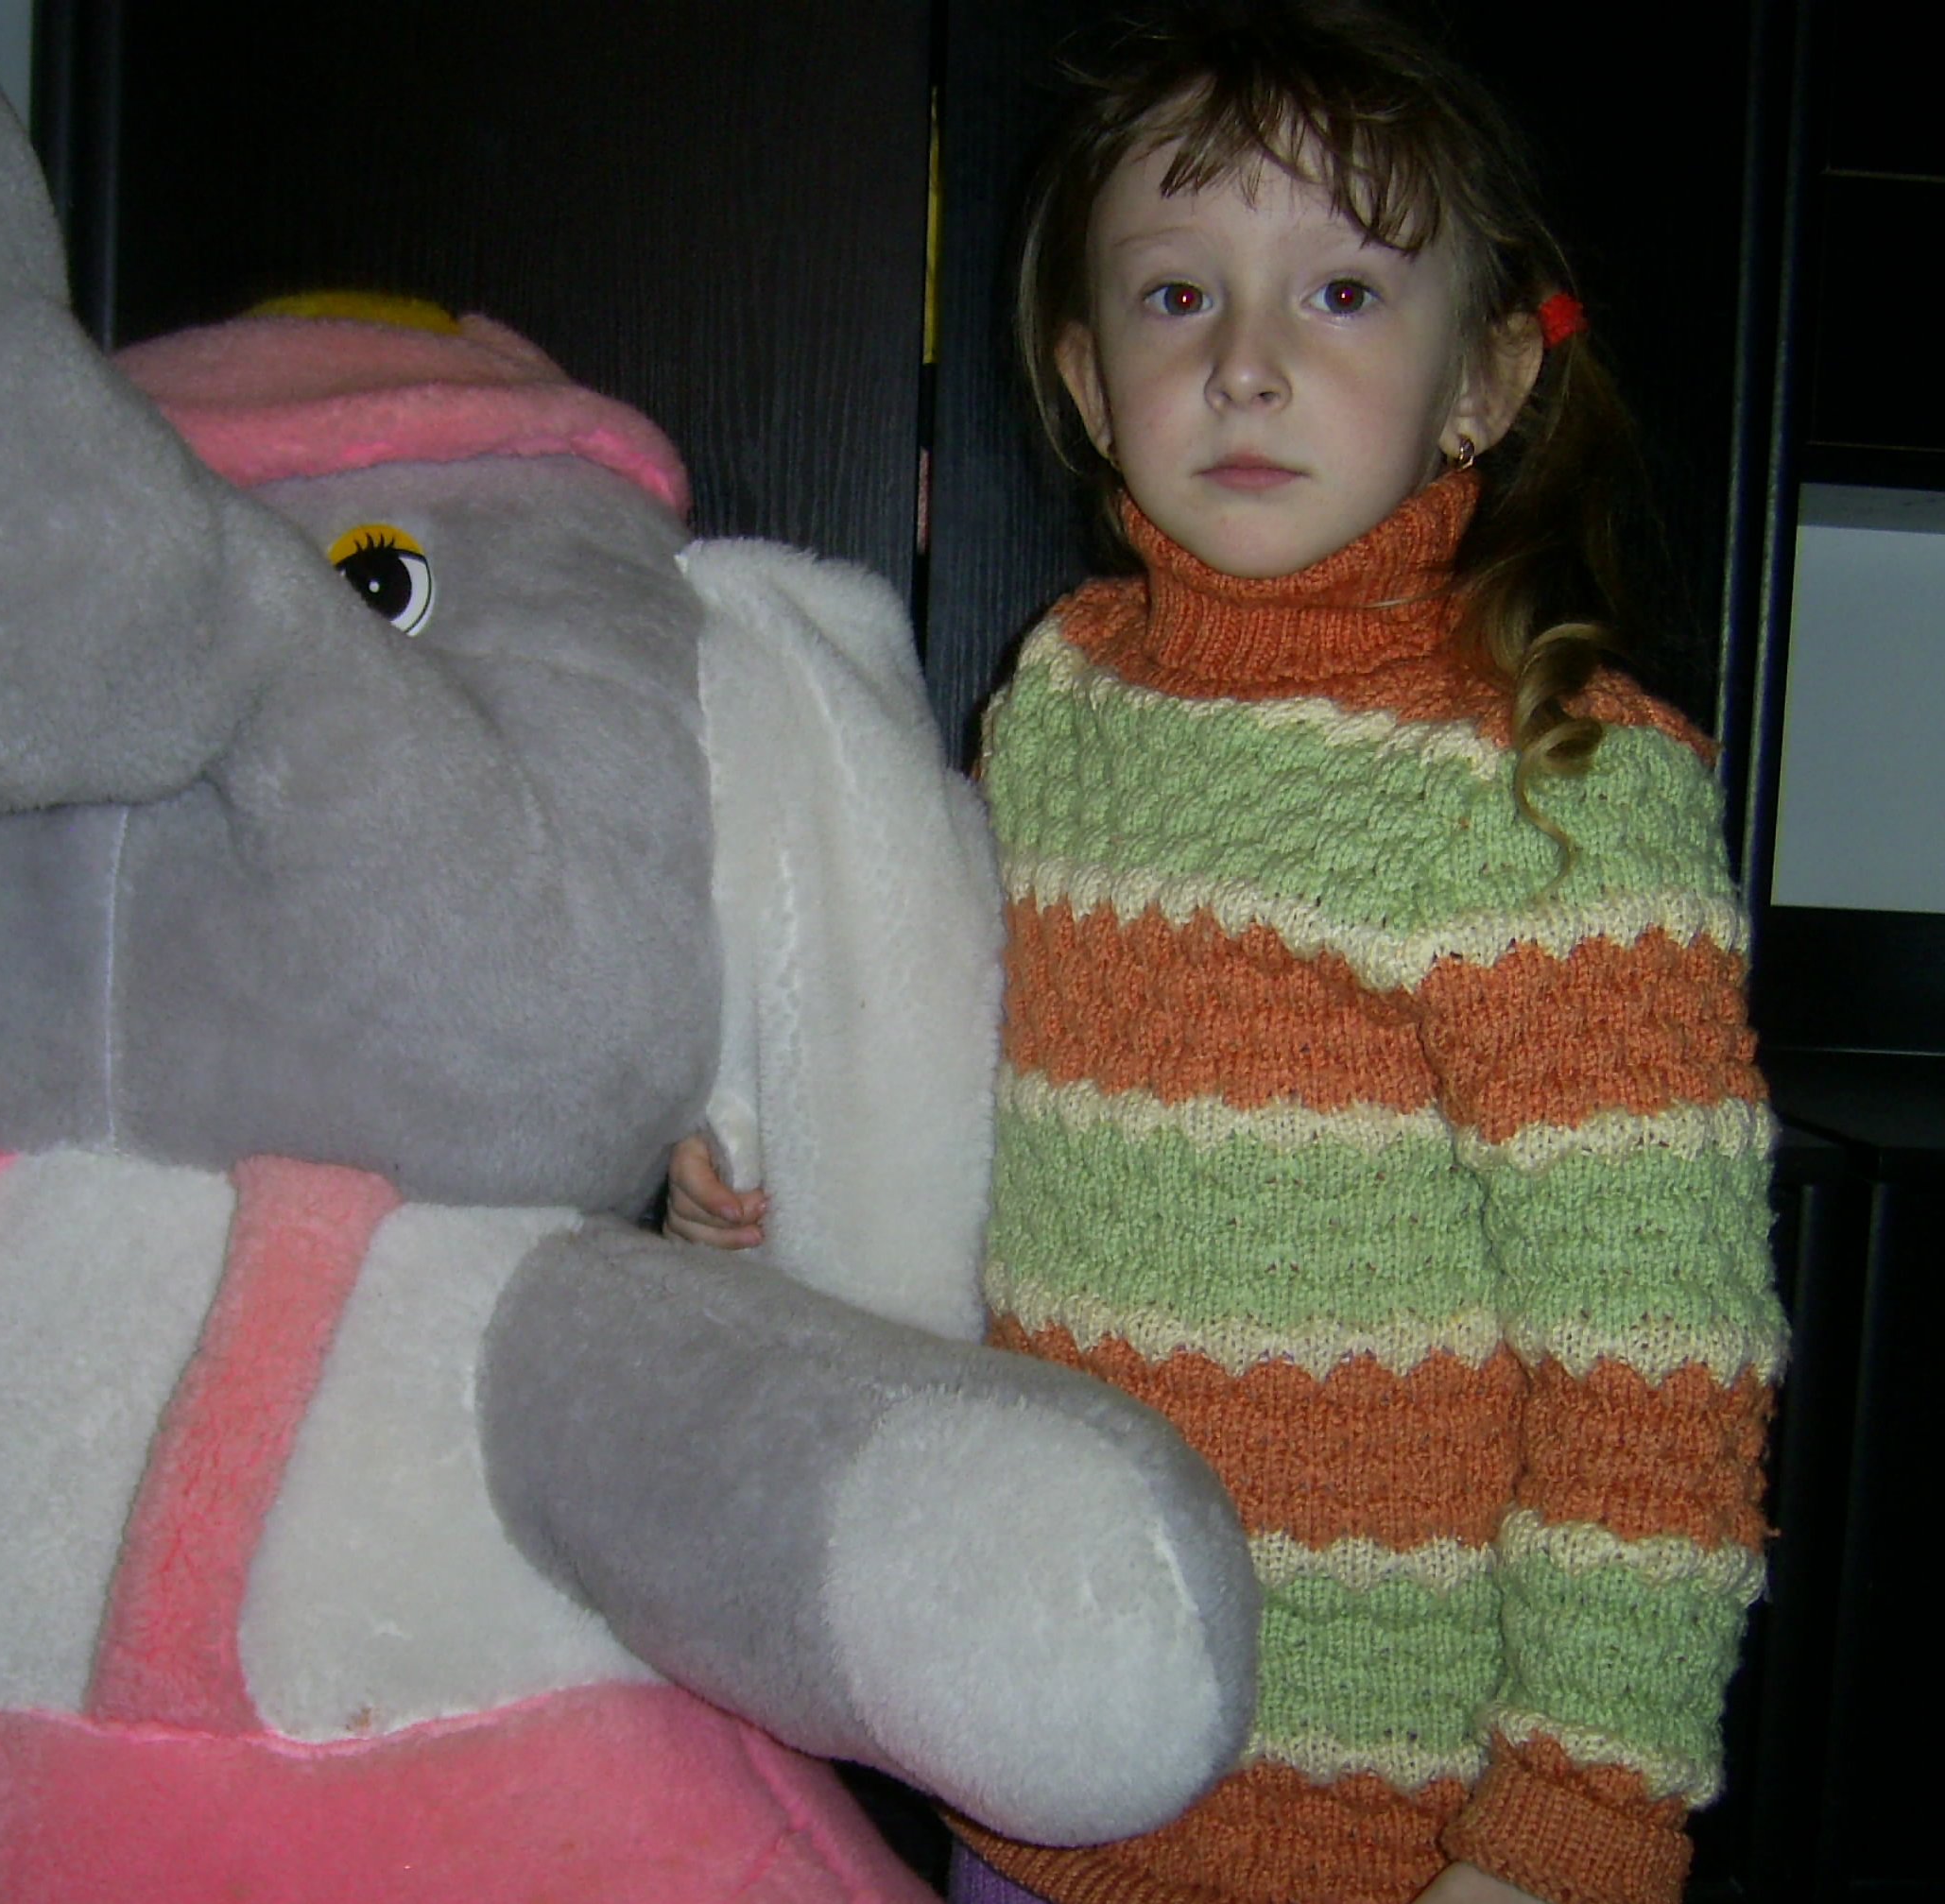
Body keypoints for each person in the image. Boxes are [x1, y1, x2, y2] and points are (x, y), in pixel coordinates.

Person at [669, 5, 1782, 1902]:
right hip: (1037, 1746)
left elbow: (1657, 1372)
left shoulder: (1557, 791)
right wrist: (779, 1185)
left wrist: (1581, 1818)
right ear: (1091, 382)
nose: (1248, 367)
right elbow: (943, 1081)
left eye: (1342, 294)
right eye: (1179, 298)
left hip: (1391, 1828)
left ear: (1484, 379)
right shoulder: (1061, 700)